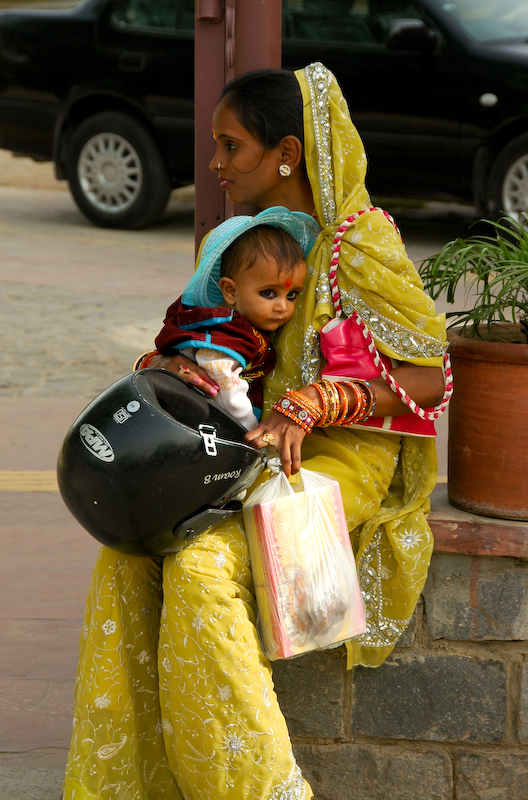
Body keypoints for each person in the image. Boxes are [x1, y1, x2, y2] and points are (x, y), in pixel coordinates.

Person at [62, 63, 448, 800]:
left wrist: (316, 400)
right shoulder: (247, 242)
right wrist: (179, 366)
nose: (215, 164)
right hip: (252, 444)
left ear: (287, 155)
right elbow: (219, 347)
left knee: (202, 567)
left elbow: (433, 377)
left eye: (231, 146)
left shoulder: (356, 241)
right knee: (132, 553)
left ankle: (266, 789)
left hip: (343, 454)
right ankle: (134, 784)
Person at [148, 208, 317, 430]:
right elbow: (226, 385)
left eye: (292, 294)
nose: (283, 307)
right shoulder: (227, 333)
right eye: (268, 293)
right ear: (230, 291)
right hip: (211, 425)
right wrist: (249, 430)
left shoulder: (246, 325)